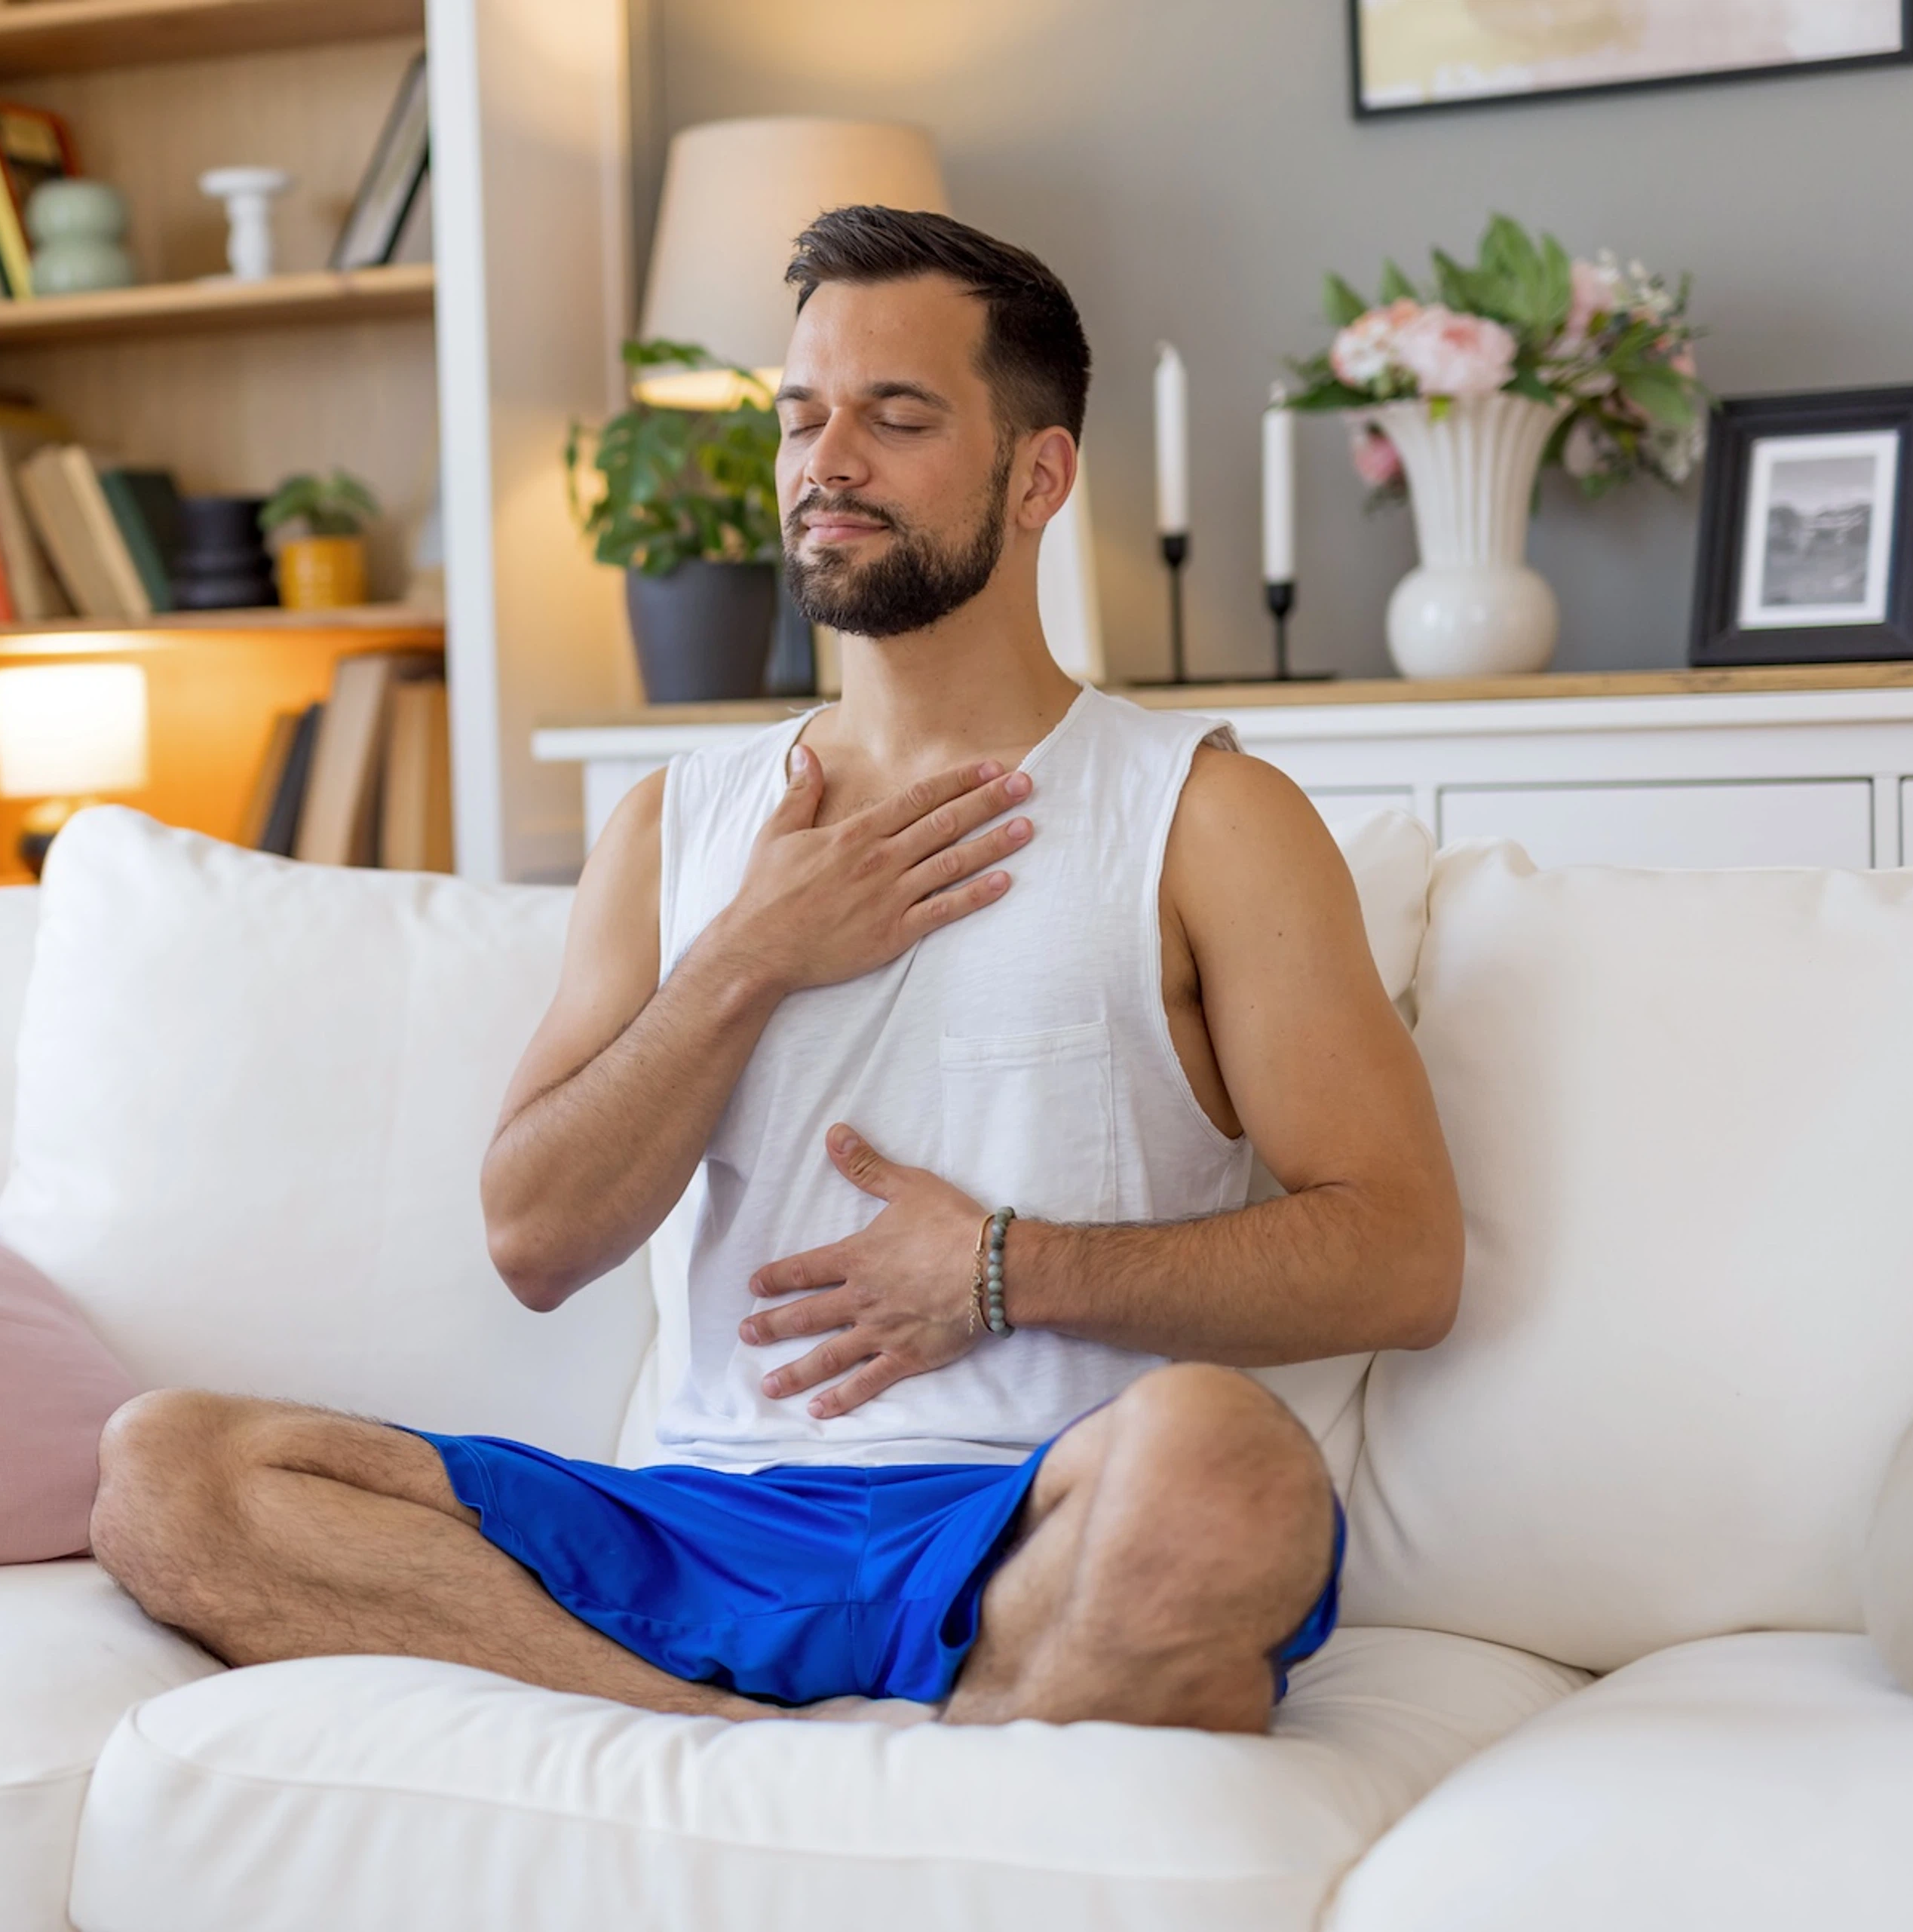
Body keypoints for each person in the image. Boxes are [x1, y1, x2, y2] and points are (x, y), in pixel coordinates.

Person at [90, 205, 1461, 1733]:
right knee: (172, 1474)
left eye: (899, 416)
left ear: (1039, 475)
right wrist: (747, 956)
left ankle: (952, 1696)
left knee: (1231, 1468)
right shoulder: (675, 824)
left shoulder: (1202, 814)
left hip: (1026, 1516)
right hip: (703, 1521)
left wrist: (1011, 1273)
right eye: (801, 417)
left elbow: (1401, 1257)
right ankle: (760, 1750)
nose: (829, 464)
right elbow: (533, 1237)